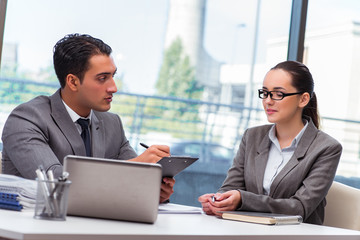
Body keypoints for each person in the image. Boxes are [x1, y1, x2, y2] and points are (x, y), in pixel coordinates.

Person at [1, 33, 174, 203]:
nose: (113, 87)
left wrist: (153, 190)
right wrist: (137, 168)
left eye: (113, 76)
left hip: (95, 224)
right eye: (102, 78)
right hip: (36, 225)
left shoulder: (112, 124)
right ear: (73, 82)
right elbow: (55, 184)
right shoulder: (26, 119)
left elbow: (132, 182)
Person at [198, 60, 342, 224]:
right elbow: (231, 187)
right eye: (265, 93)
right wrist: (219, 200)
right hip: (247, 231)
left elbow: (300, 207)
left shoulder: (326, 148)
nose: (268, 101)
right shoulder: (252, 136)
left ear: (303, 99)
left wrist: (242, 199)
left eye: (278, 94)